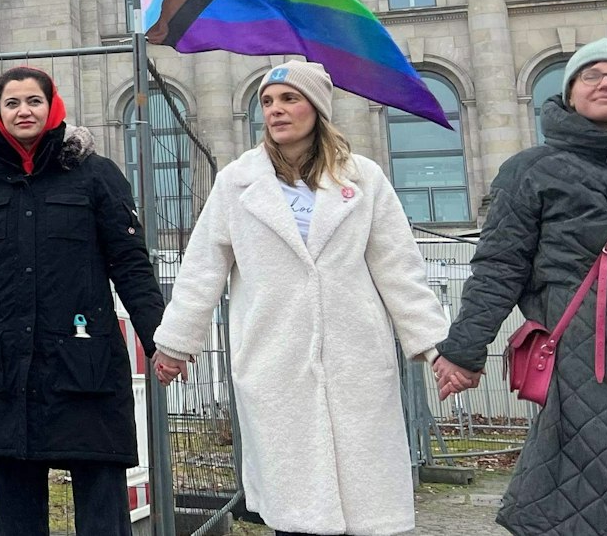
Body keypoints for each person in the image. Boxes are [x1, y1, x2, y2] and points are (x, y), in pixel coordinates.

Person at [150, 61, 448, 536]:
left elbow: (399, 268)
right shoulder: (237, 182)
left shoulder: (363, 179)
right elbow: (201, 269)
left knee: (365, 505)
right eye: (267, 102)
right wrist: (175, 343)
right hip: (275, 358)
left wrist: (435, 346)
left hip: (355, 358)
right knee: (296, 508)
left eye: (289, 99)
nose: (276, 110)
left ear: (317, 108)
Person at [0, 66, 164, 536]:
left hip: (83, 366)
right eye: (12, 104)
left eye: (33, 100)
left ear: (52, 106)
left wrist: (161, 338)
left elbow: (131, 264)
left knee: (101, 511)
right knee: (14, 512)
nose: (23, 111)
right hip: (7, 366)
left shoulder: (96, 175)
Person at [435, 38, 607, 535]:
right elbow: (500, 266)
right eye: (591, 75)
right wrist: (464, 350)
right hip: (583, 364)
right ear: (570, 93)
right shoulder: (531, 170)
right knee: (591, 494)